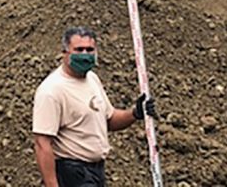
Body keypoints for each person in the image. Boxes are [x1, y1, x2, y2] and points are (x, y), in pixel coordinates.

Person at [33, 26, 156, 187]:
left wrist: (135, 113)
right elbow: (42, 143)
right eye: (78, 50)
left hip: (96, 171)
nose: (85, 54)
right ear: (64, 53)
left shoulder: (92, 79)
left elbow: (109, 120)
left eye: (89, 49)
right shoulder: (52, 90)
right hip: (72, 172)